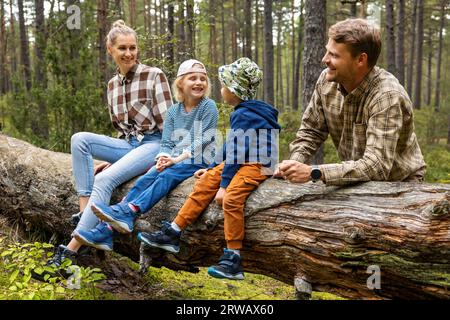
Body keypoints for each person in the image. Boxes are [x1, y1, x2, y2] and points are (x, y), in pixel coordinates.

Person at [33, 20, 173, 279]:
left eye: (133, 48)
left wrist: (164, 157)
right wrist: (117, 156)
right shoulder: (111, 85)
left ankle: (69, 252)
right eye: (122, 48)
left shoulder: (154, 75)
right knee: (80, 139)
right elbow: (122, 131)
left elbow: (170, 127)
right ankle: (84, 209)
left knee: (105, 179)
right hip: (129, 144)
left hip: (154, 143)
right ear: (111, 50)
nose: (129, 53)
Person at [138, 57, 281, 280]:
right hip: (243, 159)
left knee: (231, 198)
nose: (221, 89)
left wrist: (224, 185)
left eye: (224, 85)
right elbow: (231, 147)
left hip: (259, 164)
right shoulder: (242, 111)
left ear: (235, 90)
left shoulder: (246, 114)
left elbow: (237, 151)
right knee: (204, 181)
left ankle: (233, 257)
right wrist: (213, 167)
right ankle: (174, 232)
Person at [72, 59, 218, 251]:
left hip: (199, 159)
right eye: (193, 78)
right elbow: (166, 142)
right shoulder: (174, 111)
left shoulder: (208, 107)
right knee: (147, 177)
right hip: (175, 158)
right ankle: (107, 229)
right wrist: (162, 157)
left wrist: (175, 159)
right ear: (181, 82)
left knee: (167, 175)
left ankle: (132, 210)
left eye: (202, 79)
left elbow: (203, 139)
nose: (199, 82)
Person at [276, 18, 426, 185]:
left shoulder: (386, 95)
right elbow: (311, 132)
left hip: (400, 184)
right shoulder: (326, 81)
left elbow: (376, 166)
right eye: (327, 51)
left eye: (333, 55)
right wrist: (291, 166)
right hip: (355, 180)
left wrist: (314, 172)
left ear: (360, 60)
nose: (324, 59)